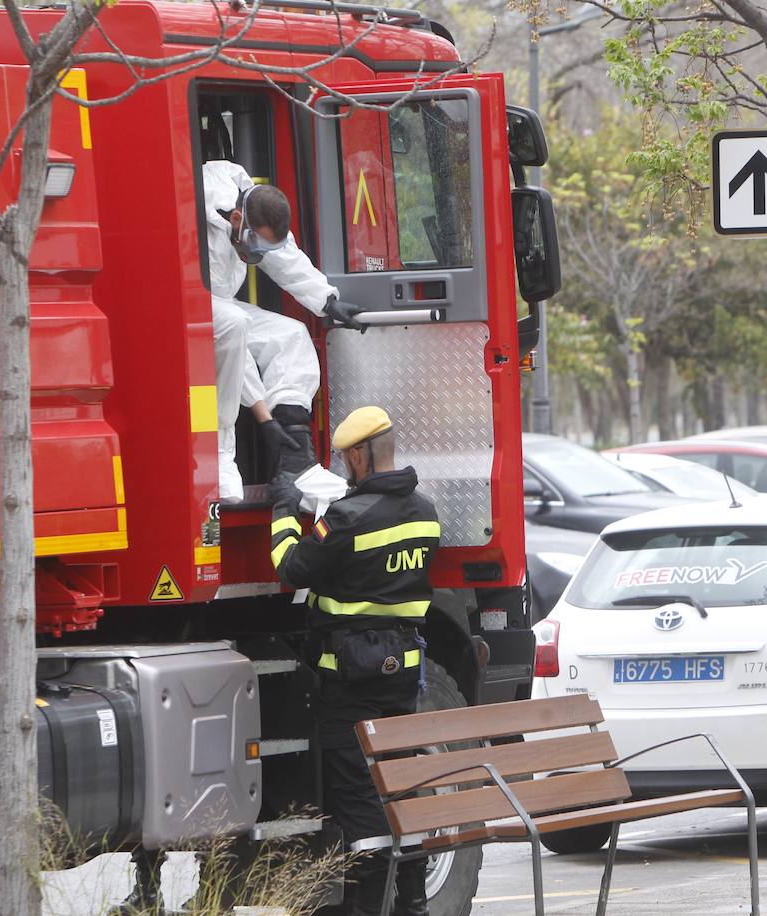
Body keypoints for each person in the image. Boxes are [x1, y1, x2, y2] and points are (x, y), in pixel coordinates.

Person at [268, 406, 440, 916]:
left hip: (347, 675)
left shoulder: (346, 519)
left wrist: (281, 511)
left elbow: (293, 567)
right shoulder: (426, 511)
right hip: (403, 667)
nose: (345, 465)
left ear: (361, 456)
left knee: (358, 792)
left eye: (346, 457)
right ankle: (412, 901)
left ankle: (364, 906)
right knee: (400, 781)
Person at [203, 159, 367, 501]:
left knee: (291, 335)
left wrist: (327, 300)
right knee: (234, 326)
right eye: (256, 246)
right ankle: (220, 458)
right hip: (184, 303)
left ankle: (297, 465)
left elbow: (285, 258)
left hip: (220, 305)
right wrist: (263, 417)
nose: (258, 256)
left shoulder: (250, 207)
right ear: (236, 220)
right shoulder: (199, 210)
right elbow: (236, 349)